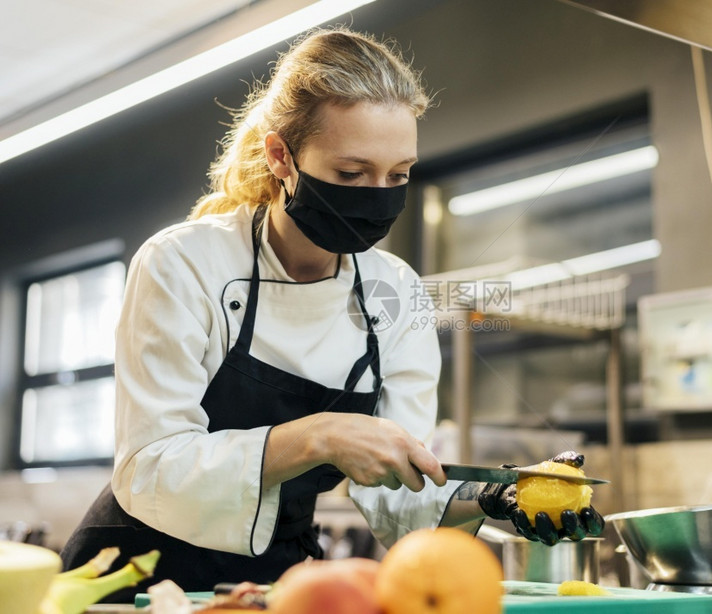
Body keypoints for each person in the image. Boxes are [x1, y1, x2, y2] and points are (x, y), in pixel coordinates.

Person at [60, 27, 602, 598]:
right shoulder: (183, 263)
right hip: (133, 575)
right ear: (281, 158)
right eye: (351, 174)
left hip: (279, 581)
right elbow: (149, 466)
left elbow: (400, 492)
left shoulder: (397, 291)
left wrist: (490, 498)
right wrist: (319, 436)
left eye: (398, 176)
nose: (378, 195)